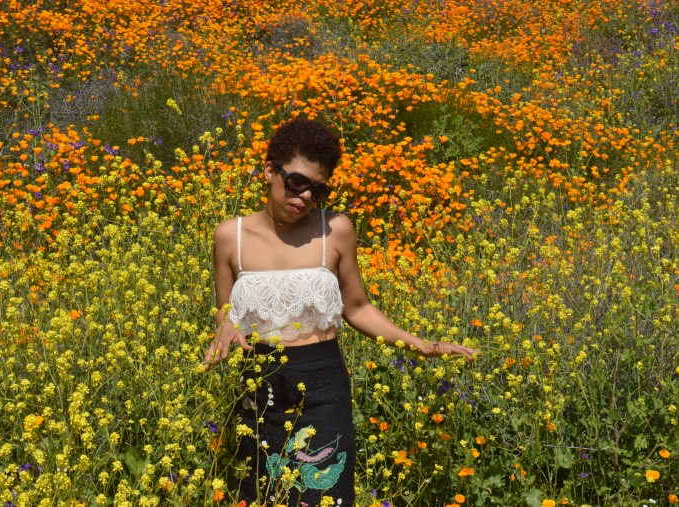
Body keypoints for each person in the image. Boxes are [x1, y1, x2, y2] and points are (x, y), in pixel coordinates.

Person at [204, 118, 478, 507]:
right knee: (260, 496)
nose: (305, 196)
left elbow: (358, 307)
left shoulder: (335, 230)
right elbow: (225, 310)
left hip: (323, 386)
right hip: (259, 385)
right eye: (297, 182)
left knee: (326, 494)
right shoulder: (229, 236)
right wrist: (226, 328)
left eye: (318, 189)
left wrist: (422, 345)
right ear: (269, 171)